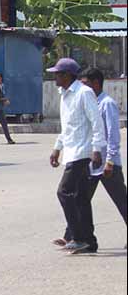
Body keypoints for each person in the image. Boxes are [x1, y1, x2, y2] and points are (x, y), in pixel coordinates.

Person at [53, 68, 127, 249]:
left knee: (122, 202)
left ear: (95, 83)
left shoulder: (106, 104)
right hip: (89, 161)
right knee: (80, 198)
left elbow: (113, 136)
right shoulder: (82, 100)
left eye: (85, 83)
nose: (82, 87)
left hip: (107, 164)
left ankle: (76, 236)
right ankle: (72, 235)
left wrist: (109, 160)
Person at [46, 58, 106, 255]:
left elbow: (96, 122)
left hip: (82, 152)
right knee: (80, 198)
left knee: (63, 192)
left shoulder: (84, 93)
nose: (55, 76)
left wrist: (97, 148)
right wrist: (57, 148)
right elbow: (67, 127)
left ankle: (77, 237)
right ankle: (90, 241)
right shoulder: (65, 95)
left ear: (67, 75)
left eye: (58, 73)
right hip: (71, 151)